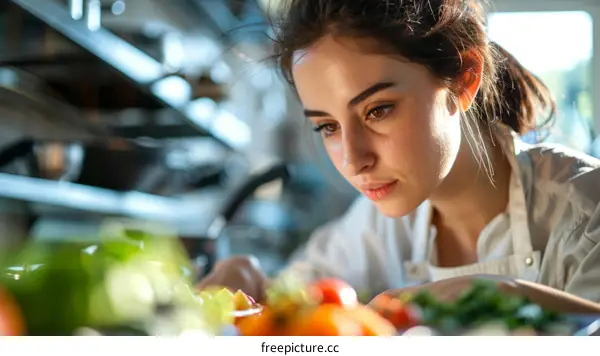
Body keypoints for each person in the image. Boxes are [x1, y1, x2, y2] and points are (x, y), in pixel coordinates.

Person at [197, 0, 600, 313]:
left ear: (464, 78)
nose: (354, 161)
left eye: (378, 110)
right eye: (328, 127)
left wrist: (506, 296)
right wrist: (251, 283)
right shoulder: (376, 227)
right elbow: (296, 306)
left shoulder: (586, 211)